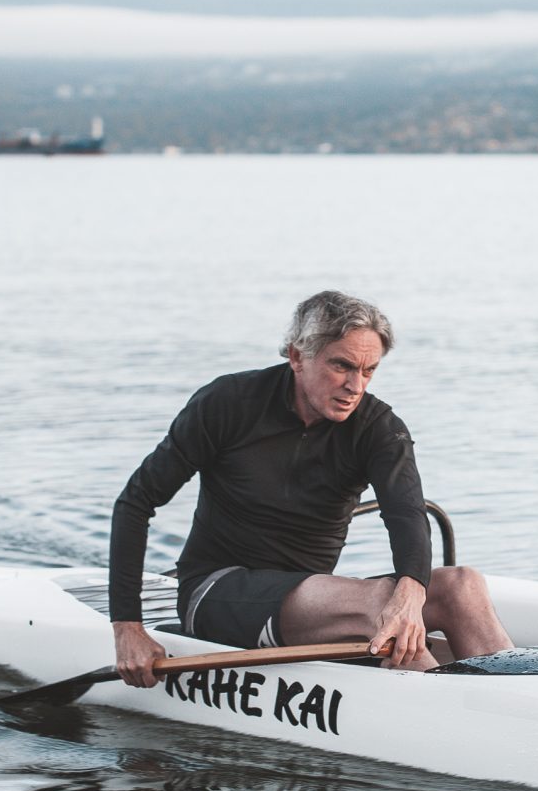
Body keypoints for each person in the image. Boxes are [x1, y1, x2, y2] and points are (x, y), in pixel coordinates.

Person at [109, 290, 512, 688]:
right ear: (297, 356)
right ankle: (463, 717)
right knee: (380, 612)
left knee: (461, 586)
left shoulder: (378, 428)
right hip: (215, 592)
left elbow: (406, 516)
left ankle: (517, 693)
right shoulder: (227, 403)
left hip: (309, 599)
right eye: (342, 366)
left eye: (369, 370)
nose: (355, 386)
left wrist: (411, 595)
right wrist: (128, 628)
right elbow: (136, 503)